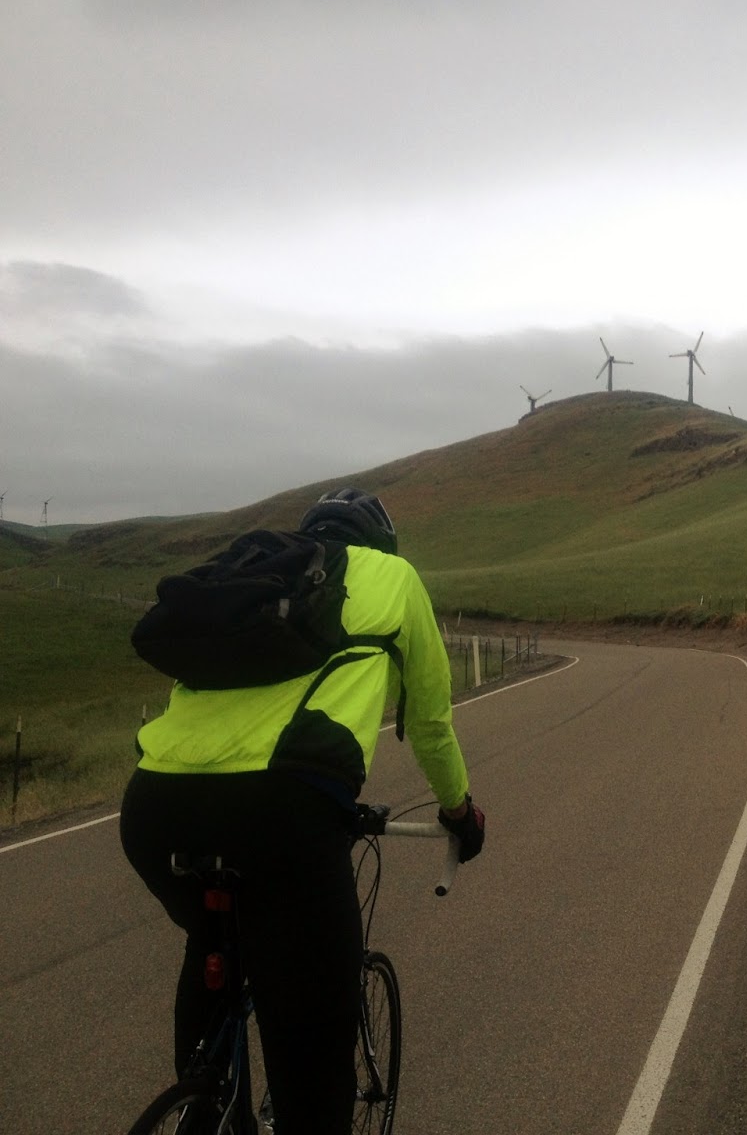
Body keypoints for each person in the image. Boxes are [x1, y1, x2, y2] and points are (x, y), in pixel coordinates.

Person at [120, 486, 486, 1134]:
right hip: (284, 814)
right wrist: (459, 812)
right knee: (313, 1052)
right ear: (382, 543)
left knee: (213, 944)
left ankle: (203, 1108)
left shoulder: (255, 583)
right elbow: (429, 723)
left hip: (154, 805)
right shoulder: (394, 577)